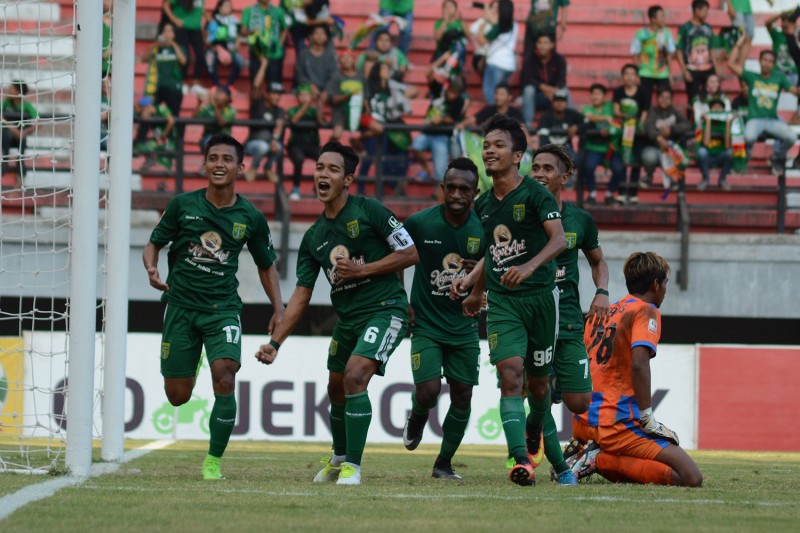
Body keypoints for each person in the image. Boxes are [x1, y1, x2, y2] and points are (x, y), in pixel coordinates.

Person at [255, 141, 419, 486]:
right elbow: (301, 296)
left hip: (384, 309)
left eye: (332, 169)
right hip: (348, 319)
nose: (322, 174)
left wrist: (363, 270)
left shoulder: (370, 210)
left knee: (355, 375)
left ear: (348, 179)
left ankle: (353, 468)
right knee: (336, 387)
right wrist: (276, 342)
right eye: (318, 168)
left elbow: (409, 252)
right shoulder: (314, 237)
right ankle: (339, 456)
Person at [143, 133, 285, 480]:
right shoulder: (182, 205)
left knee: (224, 375)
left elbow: (266, 265)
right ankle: (191, 360)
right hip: (180, 306)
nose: (219, 164)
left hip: (222, 309)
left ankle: (212, 462)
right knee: (177, 396)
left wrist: (279, 309)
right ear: (204, 164)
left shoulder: (250, 216)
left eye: (227, 159)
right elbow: (154, 243)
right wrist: (151, 267)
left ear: (241, 166)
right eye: (213, 158)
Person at [452, 113, 566, 486]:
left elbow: (559, 240)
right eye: (486, 146)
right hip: (504, 302)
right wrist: (478, 289)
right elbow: (491, 254)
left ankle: (535, 428)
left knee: (539, 387)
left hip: (541, 300)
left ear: (518, 155)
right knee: (509, 376)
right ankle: (521, 460)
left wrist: (531, 267)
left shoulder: (536, 195)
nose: (489, 151)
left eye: (498, 145)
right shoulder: (483, 204)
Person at [569, 252, 703, 488]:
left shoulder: (602, 311)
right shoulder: (645, 310)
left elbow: (579, 360)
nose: (665, 290)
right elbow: (639, 363)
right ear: (655, 284)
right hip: (617, 423)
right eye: (665, 284)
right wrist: (647, 417)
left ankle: (588, 451)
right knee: (690, 477)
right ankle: (596, 459)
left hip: (584, 421)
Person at [401, 157, 485, 480]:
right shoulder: (420, 223)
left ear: (475, 192)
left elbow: (497, 270)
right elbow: (395, 256)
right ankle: (417, 416)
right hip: (427, 324)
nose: (456, 194)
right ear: (442, 189)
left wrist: (477, 277)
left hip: (464, 325)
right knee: (428, 390)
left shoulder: (484, 229)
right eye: (451, 187)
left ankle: (443, 463)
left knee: (463, 393)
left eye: (464, 188)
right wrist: (401, 298)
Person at [532, 143, 610, 486]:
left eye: (548, 168)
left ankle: (541, 413)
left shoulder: (580, 219)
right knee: (535, 393)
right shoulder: (521, 213)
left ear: (564, 176)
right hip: (532, 316)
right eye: (535, 168)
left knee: (579, 402)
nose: (539, 174)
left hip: (567, 318)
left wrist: (602, 292)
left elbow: (598, 261)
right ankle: (540, 459)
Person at [727, 37, 800, 175]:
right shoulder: (751, 76)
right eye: (764, 60)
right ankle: (745, 156)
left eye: (770, 62)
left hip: (772, 119)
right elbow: (731, 64)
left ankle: (776, 156)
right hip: (754, 119)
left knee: (792, 137)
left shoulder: (779, 78)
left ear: (774, 64)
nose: (767, 64)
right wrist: (738, 43)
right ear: (759, 61)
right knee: (748, 137)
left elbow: (795, 92)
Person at [410, 77, 470, 195]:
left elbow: (452, 119)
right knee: (414, 147)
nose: (453, 95)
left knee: (440, 171)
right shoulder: (439, 91)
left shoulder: (460, 101)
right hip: (427, 133)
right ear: (449, 88)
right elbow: (428, 74)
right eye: (452, 91)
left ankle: (439, 196)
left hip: (442, 137)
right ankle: (426, 170)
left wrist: (440, 119)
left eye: (456, 93)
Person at [580, 83, 625, 205]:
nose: (595, 96)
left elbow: (618, 122)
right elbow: (589, 117)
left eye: (598, 94)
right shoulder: (587, 109)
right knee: (588, 166)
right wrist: (606, 118)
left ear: (605, 97)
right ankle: (592, 194)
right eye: (593, 94)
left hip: (611, 148)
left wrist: (610, 129)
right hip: (593, 148)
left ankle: (610, 194)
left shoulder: (611, 107)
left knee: (618, 168)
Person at [613, 64, 650, 205]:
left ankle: (634, 193)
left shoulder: (643, 92)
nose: (629, 77)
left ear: (637, 77)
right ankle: (622, 192)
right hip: (623, 132)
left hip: (637, 132)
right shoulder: (618, 91)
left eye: (632, 74)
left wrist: (638, 124)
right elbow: (616, 111)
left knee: (636, 161)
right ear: (622, 76)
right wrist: (627, 118)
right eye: (626, 74)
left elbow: (645, 112)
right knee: (623, 160)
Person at [640, 88, 690, 188]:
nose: (664, 100)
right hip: (654, 147)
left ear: (671, 100)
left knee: (674, 154)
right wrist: (658, 137)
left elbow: (687, 125)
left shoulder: (675, 112)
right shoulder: (652, 111)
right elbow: (648, 127)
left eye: (667, 98)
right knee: (648, 156)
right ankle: (649, 176)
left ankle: (672, 179)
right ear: (657, 98)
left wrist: (671, 129)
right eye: (661, 97)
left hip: (671, 148)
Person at [675, 0, 723, 104]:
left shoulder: (708, 28)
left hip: (708, 68)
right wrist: (684, 70)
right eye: (705, 11)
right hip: (692, 69)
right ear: (697, 10)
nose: (707, 14)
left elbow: (711, 49)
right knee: (693, 99)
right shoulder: (685, 29)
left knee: (714, 96)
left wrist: (716, 67)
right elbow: (679, 50)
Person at [521, 33, 570, 130]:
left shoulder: (559, 59)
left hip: (554, 95)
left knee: (565, 91)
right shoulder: (529, 59)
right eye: (540, 43)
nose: (542, 46)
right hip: (536, 96)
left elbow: (561, 80)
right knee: (528, 90)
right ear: (536, 44)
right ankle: (527, 125)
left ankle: (569, 123)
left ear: (552, 45)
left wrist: (553, 90)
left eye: (545, 43)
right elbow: (527, 79)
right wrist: (543, 88)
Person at [631, 5, 675, 109]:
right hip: (645, 72)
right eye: (661, 16)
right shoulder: (641, 34)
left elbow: (669, 54)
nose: (664, 19)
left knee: (665, 99)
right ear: (653, 19)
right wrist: (637, 74)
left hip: (662, 72)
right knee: (645, 100)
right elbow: (635, 55)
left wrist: (670, 73)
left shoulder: (666, 33)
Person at [474, 0, 518, 105]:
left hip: (496, 63)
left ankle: (496, 118)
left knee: (491, 95)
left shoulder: (498, 27)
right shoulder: (514, 25)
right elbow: (495, 21)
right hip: (509, 64)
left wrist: (483, 25)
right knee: (503, 97)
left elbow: (482, 41)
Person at [240, 0, 290, 91]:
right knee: (255, 86)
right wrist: (251, 31)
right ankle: (255, 104)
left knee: (274, 87)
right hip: (257, 53)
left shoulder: (278, 11)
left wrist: (280, 44)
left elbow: (285, 29)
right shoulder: (248, 11)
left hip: (274, 53)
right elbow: (243, 31)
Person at [286, 84, 324, 199]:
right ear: (297, 97)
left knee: (325, 160)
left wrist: (318, 103)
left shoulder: (313, 111)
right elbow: (294, 120)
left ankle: (318, 188)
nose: (304, 98)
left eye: (306, 95)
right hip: (296, 145)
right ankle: (296, 189)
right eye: (301, 95)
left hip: (312, 144)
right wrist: (308, 104)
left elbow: (321, 121)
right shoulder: (292, 110)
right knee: (298, 159)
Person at [244, 82, 286, 183]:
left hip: (270, 143)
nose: (277, 97)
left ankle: (268, 167)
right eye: (274, 93)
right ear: (266, 94)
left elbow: (279, 124)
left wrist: (275, 140)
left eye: (279, 94)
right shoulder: (257, 104)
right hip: (252, 144)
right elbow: (255, 86)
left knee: (279, 148)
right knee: (263, 145)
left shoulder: (280, 110)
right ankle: (254, 168)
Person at [161, 0, 207, 86]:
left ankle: (196, 83)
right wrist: (174, 19)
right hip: (181, 27)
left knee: (201, 55)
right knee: (185, 55)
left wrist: (206, 16)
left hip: (196, 28)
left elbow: (200, 7)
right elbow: (165, 5)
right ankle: (183, 82)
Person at [146, 23, 187, 118]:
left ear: (174, 34)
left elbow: (183, 61)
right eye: (165, 31)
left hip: (174, 87)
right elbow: (144, 58)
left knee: (174, 115)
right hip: (158, 87)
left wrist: (173, 44)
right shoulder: (157, 49)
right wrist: (155, 45)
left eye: (169, 31)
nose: (167, 34)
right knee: (151, 112)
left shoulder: (179, 47)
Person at [1, 80, 38, 181]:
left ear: (18, 92)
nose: (8, 91)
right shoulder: (5, 103)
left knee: (23, 139)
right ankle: (5, 161)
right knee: (6, 135)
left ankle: (20, 162)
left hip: (20, 137)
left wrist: (24, 132)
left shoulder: (26, 105)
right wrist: (13, 128)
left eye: (11, 89)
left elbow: (38, 121)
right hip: (6, 137)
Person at [696, 98, 734, 192]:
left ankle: (722, 179)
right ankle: (705, 179)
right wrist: (708, 122)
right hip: (707, 157)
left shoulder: (725, 124)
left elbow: (727, 146)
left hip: (720, 157)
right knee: (701, 152)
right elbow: (705, 143)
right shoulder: (704, 123)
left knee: (731, 153)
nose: (717, 109)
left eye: (720, 107)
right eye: (714, 107)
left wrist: (728, 124)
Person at [205, 0, 245, 87]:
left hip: (231, 49)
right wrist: (219, 50)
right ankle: (216, 85)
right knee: (209, 58)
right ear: (220, 8)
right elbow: (207, 41)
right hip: (215, 49)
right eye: (226, 6)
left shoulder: (236, 22)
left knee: (240, 61)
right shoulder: (213, 21)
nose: (228, 8)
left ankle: (229, 86)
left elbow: (238, 39)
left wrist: (235, 48)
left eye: (229, 6)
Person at [294, 25, 339, 102]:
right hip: (308, 88)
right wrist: (310, 86)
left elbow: (333, 76)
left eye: (322, 33)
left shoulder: (330, 55)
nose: (319, 36)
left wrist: (326, 91)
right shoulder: (303, 54)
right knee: (305, 94)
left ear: (326, 37)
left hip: (326, 89)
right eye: (317, 33)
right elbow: (299, 75)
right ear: (311, 37)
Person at [327, 52, 365, 142]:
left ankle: (357, 141)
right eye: (343, 58)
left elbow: (365, 96)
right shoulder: (336, 77)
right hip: (340, 112)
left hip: (358, 112)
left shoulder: (361, 77)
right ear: (339, 62)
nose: (347, 59)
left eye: (349, 57)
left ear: (354, 60)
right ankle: (326, 148)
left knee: (377, 128)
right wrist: (349, 95)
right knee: (337, 134)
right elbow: (334, 100)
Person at [458, 83, 524, 131]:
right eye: (496, 94)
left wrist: (530, 142)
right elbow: (472, 119)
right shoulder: (488, 110)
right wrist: (462, 124)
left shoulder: (515, 113)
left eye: (501, 94)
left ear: (509, 97)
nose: (498, 97)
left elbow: (523, 130)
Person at [195, 85, 238, 152]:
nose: (217, 95)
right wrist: (199, 103)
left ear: (228, 98)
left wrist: (215, 106)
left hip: (224, 140)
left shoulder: (230, 110)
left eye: (220, 93)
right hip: (207, 138)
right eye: (216, 92)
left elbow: (221, 122)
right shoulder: (208, 108)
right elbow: (194, 118)